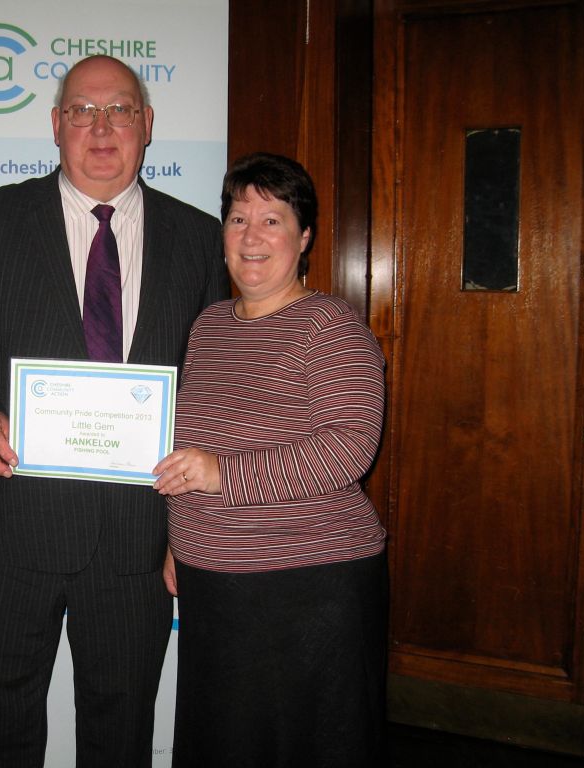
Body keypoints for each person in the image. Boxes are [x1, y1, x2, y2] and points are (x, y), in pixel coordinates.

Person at [0, 55, 228, 767]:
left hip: (139, 540)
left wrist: (191, 533)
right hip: (13, 528)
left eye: (121, 110)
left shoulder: (199, 239)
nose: (102, 127)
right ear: (56, 126)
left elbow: (214, 388)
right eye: (82, 111)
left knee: (121, 734)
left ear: (148, 126)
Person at [153, 152, 388, 767]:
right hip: (215, 586)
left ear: (304, 236)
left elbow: (348, 449)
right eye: (237, 219)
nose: (251, 237)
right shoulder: (207, 326)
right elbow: (193, 438)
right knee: (226, 742)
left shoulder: (331, 326)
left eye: (272, 220)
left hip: (306, 588)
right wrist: (180, 538)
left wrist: (220, 475)